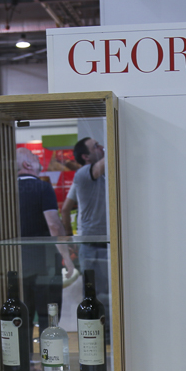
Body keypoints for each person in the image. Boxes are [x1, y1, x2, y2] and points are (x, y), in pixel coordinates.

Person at [18, 148, 67, 332]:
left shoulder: (5, 192)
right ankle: (49, 350)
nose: (39, 158)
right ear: (27, 164)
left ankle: (24, 351)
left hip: (17, 264)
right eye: (34, 157)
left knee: (23, 316)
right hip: (45, 263)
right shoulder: (43, 187)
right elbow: (54, 225)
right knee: (49, 315)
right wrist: (67, 256)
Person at [62, 137, 108, 323]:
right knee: (94, 294)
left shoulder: (97, 176)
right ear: (85, 156)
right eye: (96, 146)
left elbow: (65, 209)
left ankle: (106, 332)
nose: (101, 147)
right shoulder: (83, 174)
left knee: (105, 293)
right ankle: (95, 332)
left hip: (101, 244)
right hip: (92, 245)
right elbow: (65, 210)